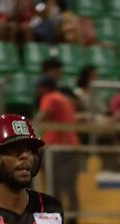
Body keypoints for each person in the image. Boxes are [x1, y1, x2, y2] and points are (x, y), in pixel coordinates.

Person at [35, 74, 81, 215]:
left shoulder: (50, 98)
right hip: (71, 145)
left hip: (57, 147)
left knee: (54, 184)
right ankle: (73, 215)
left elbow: (41, 117)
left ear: (44, 88)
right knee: (68, 184)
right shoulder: (64, 99)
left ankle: (56, 215)